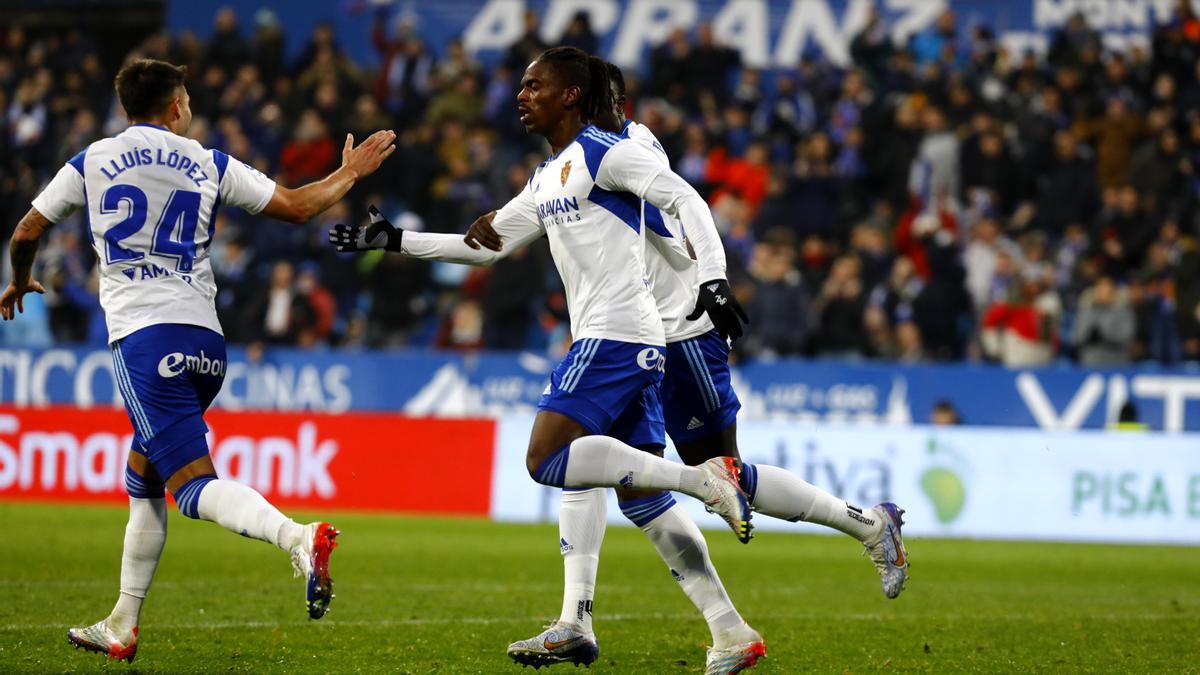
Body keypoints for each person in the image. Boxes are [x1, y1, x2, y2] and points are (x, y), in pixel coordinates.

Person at [460, 62, 909, 672]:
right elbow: (520, 228)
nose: (606, 106)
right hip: (637, 335)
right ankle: (616, 622)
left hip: (683, 334)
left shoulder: (631, 146)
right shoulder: (572, 164)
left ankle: (866, 525)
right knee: (620, 479)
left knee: (717, 471)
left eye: (611, 96)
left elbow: (678, 214)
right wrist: (435, 237)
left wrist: (711, 279)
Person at [329, 47, 758, 673]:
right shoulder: (548, 176)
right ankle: (728, 629)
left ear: (570, 97)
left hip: (614, 336)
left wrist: (714, 279)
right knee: (635, 497)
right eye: (521, 85)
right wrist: (395, 240)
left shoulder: (605, 151)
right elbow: (484, 248)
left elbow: (686, 199)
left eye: (535, 86)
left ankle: (703, 482)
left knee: (545, 457)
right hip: (619, 338)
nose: (521, 95)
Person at [0, 58, 396, 662]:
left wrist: (19, 281)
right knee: (144, 477)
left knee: (191, 488)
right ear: (174, 106)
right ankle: (123, 623)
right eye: (186, 98)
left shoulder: (93, 160)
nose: (190, 108)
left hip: (145, 340)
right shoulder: (208, 162)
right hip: (206, 346)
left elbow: (27, 229)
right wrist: (348, 173)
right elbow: (296, 206)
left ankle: (298, 536)